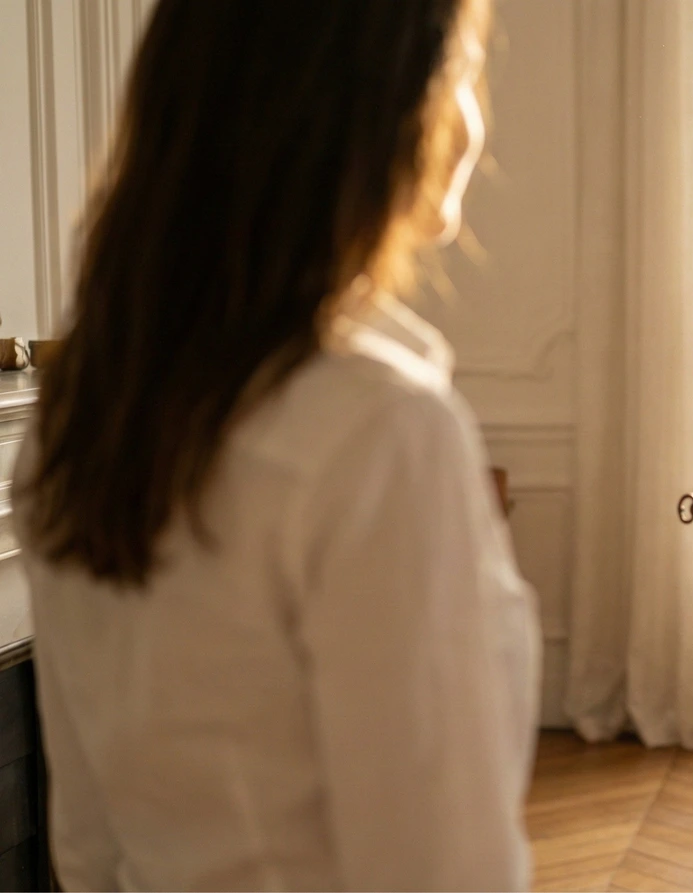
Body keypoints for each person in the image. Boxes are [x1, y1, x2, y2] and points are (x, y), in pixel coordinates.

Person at [15, 0, 538, 889]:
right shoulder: (380, 435)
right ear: (384, 111)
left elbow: (86, 846)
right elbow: (444, 871)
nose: (472, 118)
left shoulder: (75, 421)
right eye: (459, 72)